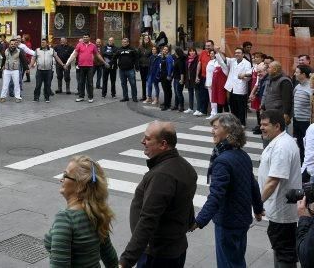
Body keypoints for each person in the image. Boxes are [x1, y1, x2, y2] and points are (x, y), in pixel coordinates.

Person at [119, 122, 197, 267]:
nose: (142, 141)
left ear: (163, 144)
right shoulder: (185, 167)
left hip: (157, 255)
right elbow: (184, 200)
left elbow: (148, 220)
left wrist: (126, 261)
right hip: (175, 249)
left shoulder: (162, 176)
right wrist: (190, 220)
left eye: (148, 139)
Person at [192, 113, 263, 268]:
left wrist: (199, 221)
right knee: (237, 260)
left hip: (228, 222)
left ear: (228, 131)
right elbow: (253, 184)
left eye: (216, 128)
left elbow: (216, 196)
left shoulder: (222, 161)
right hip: (242, 220)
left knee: (228, 263)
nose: (212, 131)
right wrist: (258, 209)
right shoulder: (242, 155)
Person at [44, 156, 118, 267]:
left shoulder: (66, 218)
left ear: (80, 186)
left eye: (66, 175)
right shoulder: (97, 214)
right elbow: (109, 255)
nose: (61, 179)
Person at [258, 110, 302, 268]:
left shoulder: (282, 147)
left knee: (284, 253)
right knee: (282, 250)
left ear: (277, 126)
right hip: (279, 208)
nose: (261, 127)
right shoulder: (280, 142)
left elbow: (273, 181)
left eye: (265, 124)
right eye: (261, 124)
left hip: (281, 210)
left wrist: (257, 203)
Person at [65, 34, 109, 103]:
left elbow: (97, 55)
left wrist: (104, 62)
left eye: (86, 37)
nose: (85, 38)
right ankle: (81, 96)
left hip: (90, 67)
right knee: (81, 82)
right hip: (81, 66)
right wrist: (67, 63)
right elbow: (74, 55)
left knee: (90, 82)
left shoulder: (93, 46)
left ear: (89, 38)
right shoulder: (79, 45)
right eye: (84, 37)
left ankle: (90, 97)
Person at [216, 46, 252, 127]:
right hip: (232, 87)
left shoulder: (247, 63)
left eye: (239, 53)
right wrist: (218, 51)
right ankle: (234, 122)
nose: (237, 54)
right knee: (233, 106)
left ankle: (242, 123)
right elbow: (224, 59)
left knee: (241, 107)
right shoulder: (233, 61)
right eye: (236, 53)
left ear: (243, 54)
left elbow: (249, 75)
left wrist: (243, 76)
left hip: (240, 88)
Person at [261, 61, 293, 127]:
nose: (267, 70)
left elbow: (287, 99)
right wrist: (263, 106)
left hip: (279, 113)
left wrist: (286, 114)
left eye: (269, 68)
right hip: (270, 112)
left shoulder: (284, 81)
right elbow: (267, 94)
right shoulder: (271, 79)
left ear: (275, 70)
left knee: (279, 133)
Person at [293, 65, 313, 162]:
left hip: (306, 121)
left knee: (306, 145)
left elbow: (313, 106)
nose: (295, 74)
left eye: (297, 72)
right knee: (300, 143)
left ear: (303, 74)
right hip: (297, 119)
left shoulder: (311, 87)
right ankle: (301, 162)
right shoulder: (298, 86)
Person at [0, 37, 24, 103]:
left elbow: (23, 60)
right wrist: (2, 66)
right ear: (9, 44)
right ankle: (2, 97)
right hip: (7, 70)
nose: (13, 45)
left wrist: (27, 68)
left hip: (15, 70)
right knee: (5, 84)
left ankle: (18, 97)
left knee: (16, 84)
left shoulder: (19, 51)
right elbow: (4, 59)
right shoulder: (6, 51)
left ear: (16, 45)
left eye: (14, 44)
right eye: (11, 44)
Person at [115, 38, 139, 103]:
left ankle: (134, 97)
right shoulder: (119, 49)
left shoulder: (132, 49)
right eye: (123, 42)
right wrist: (111, 64)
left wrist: (137, 67)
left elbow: (136, 58)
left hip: (130, 70)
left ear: (128, 43)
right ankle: (125, 97)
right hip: (121, 70)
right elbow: (114, 57)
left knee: (133, 84)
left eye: (125, 42)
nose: (124, 43)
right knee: (123, 84)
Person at [31, 38, 55, 103]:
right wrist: (30, 66)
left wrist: (62, 64)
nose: (42, 44)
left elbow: (57, 58)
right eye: (41, 42)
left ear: (47, 43)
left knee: (47, 85)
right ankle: (36, 98)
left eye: (44, 42)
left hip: (48, 70)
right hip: (40, 71)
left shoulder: (51, 50)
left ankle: (47, 97)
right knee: (38, 85)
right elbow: (33, 58)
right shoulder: (37, 50)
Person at [154, 45, 174, 111]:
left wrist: (169, 75)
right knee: (167, 90)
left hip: (166, 76)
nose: (164, 51)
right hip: (163, 75)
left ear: (168, 51)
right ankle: (167, 103)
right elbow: (160, 67)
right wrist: (158, 74)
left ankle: (167, 105)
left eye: (166, 50)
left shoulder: (169, 57)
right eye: (164, 49)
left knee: (166, 90)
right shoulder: (163, 57)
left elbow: (170, 67)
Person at [184, 47, 200, 115]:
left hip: (195, 78)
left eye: (193, 51)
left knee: (197, 94)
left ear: (195, 52)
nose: (192, 52)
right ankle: (190, 108)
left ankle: (198, 109)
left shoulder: (197, 59)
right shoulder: (187, 59)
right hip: (189, 79)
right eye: (190, 51)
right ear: (189, 52)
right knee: (190, 94)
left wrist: (197, 77)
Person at [138, 34, 154, 99]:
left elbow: (153, 57)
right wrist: (138, 65)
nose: (146, 40)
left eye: (147, 39)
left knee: (149, 81)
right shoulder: (140, 47)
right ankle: (144, 96)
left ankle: (149, 96)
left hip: (149, 66)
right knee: (143, 81)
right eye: (145, 39)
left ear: (149, 40)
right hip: (142, 66)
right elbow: (138, 56)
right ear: (143, 40)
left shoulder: (152, 47)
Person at [171, 47, 186, 111]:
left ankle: (181, 106)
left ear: (177, 53)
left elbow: (182, 71)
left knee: (179, 93)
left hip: (179, 79)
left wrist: (182, 80)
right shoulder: (177, 59)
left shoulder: (180, 60)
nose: (174, 53)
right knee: (176, 92)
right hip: (175, 78)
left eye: (175, 52)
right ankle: (176, 105)